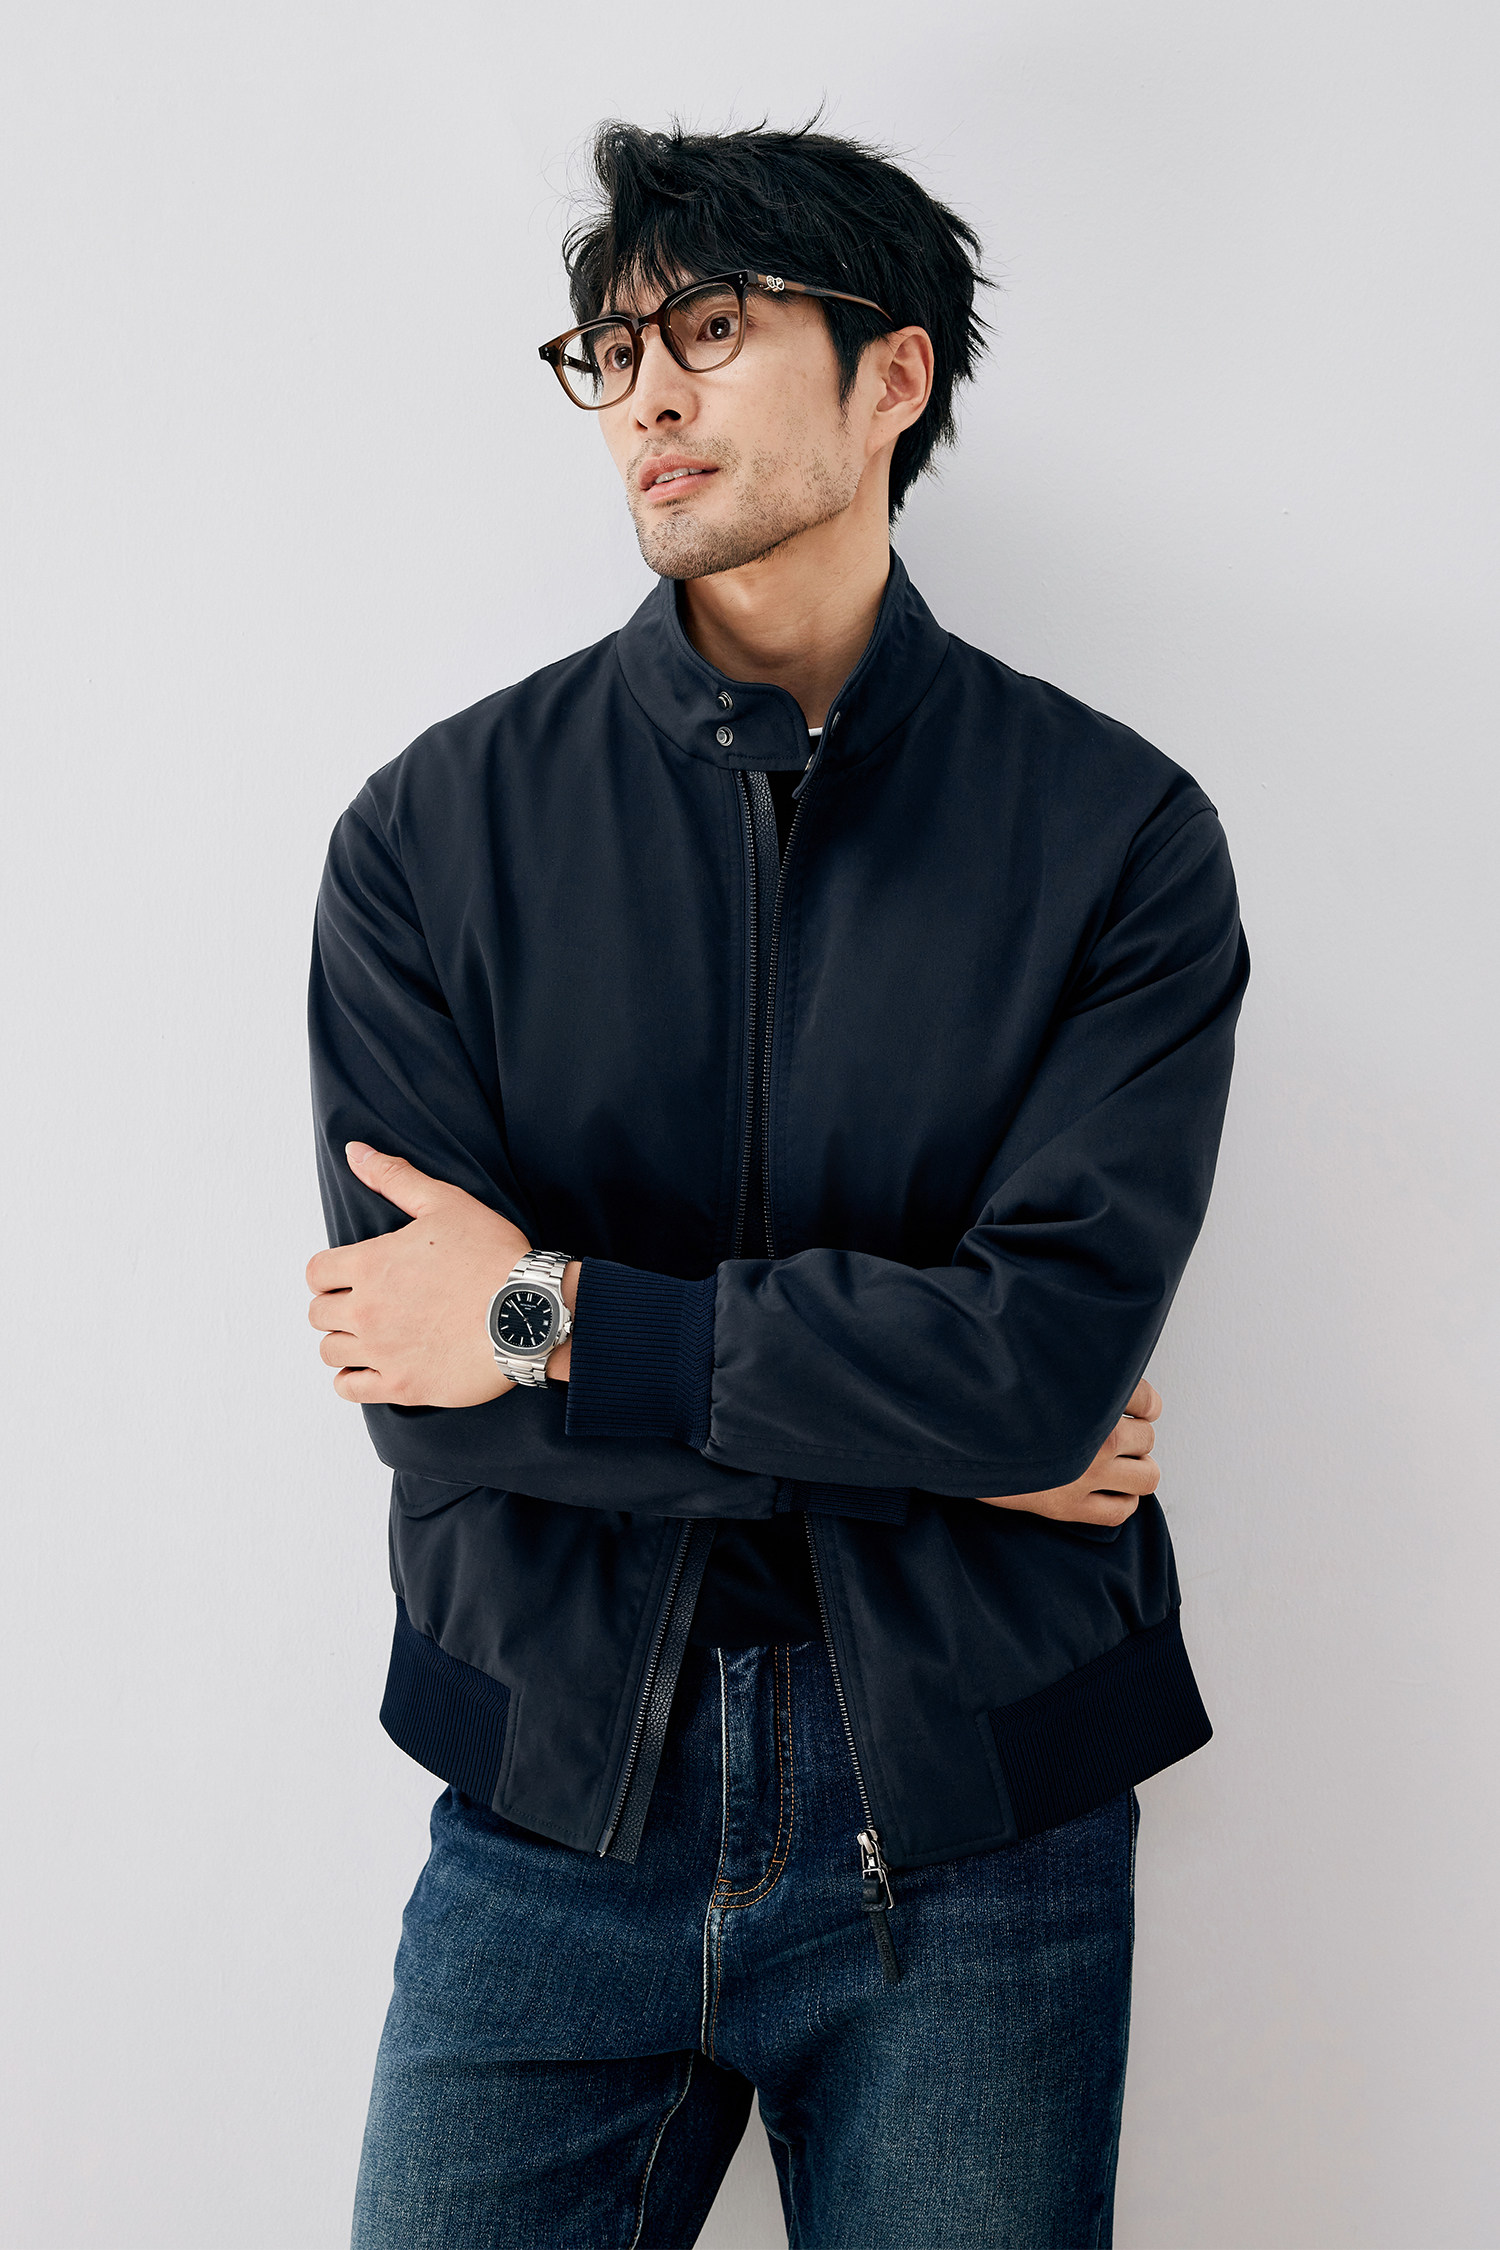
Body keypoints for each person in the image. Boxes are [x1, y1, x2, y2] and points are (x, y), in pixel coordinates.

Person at [305, 118, 1250, 2250]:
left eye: (713, 330)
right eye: (612, 349)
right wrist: (957, 1436)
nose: (645, 392)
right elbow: (424, 1396)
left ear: (893, 373)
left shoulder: (1119, 841)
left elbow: (1036, 1361)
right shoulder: (431, 838)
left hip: (979, 1819)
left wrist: (547, 1314)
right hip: (552, 1802)